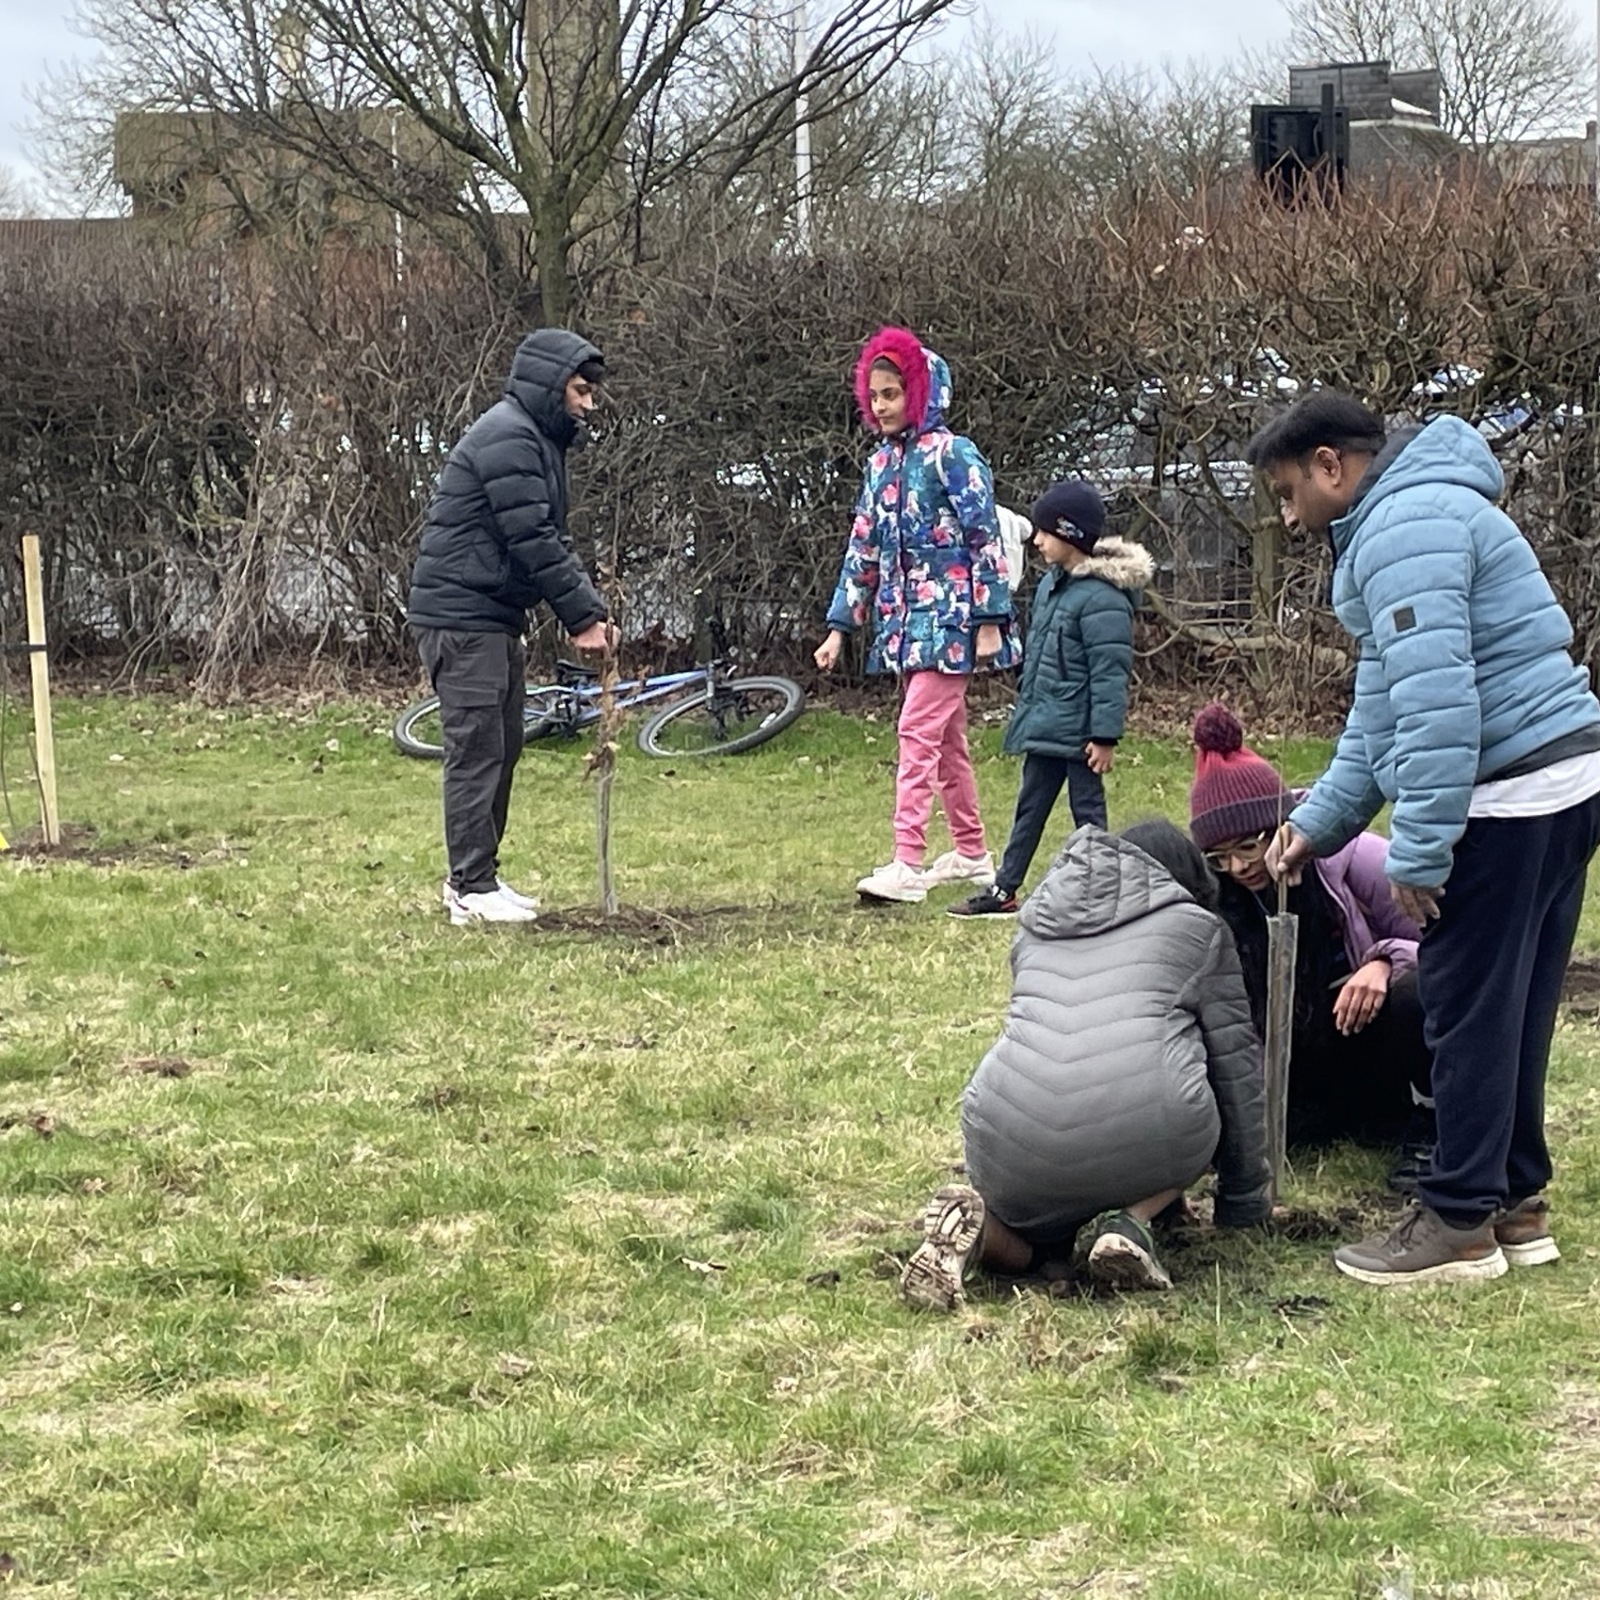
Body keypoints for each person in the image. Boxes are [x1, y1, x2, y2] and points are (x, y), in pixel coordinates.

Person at [1247, 390, 1600, 1286]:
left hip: (1509, 794)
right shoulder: (1420, 511)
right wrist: (1314, 829)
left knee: (1465, 1009)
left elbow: (1442, 713)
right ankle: (1516, 1201)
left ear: (1332, 465)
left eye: (1289, 492)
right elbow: (1381, 717)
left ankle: (1456, 1222)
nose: (1288, 518)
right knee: (1513, 1004)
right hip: (1565, 782)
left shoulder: (1404, 529)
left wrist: (1421, 852)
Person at [900, 820, 1271, 1308]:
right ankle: (1128, 1224)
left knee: (1037, 1243)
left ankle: (980, 1226)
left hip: (1006, 1135)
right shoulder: (1199, 929)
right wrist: (1244, 1200)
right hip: (1146, 1131)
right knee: (1186, 1090)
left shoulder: (1035, 925)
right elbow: (1235, 1068)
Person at [407, 328, 615, 925]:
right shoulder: (509, 438)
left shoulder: (534, 440)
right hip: (462, 617)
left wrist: (592, 609)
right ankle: (470, 888)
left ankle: (478, 879)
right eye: (580, 390)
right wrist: (580, 618)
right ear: (551, 385)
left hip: (490, 616)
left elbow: (552, 537)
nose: (587, 404)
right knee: (477, 751)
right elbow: (532, 539)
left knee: (504, 747)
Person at [1187, 703, 1434, 1189]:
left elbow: (1448, 950)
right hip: (1294, 1066)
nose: (1238, 868)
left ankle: (1427, 1126)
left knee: (1417, 993)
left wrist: (1384, 961)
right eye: (1219, 858)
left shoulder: (1354, 857)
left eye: (1248, 846)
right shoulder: (1222, 906)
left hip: (1370, 1038)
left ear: (1280, 827)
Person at [815, 326, 1018, 904]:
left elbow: (985, 541)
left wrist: (989, 620)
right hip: (906, 628)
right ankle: (973, 852)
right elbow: (864, 549)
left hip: (952, 626)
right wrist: (840, 626)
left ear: (922, 392)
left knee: (916, 731)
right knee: (946, 741)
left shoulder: (955, 456)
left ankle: (907, 860)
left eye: (892, 393)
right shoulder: (879, 467)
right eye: (874, 395)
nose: (880, 406)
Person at [950, 481, 1151, 918]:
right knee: (1030, 808)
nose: (1036, 541)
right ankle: (1004, 889)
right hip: (1046, 723)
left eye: (1044, 532)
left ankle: (1105, 893)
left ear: (1069, 534)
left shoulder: (1103, 599)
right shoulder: (1051, 587)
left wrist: (1104, 735)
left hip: (1079, 733)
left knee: (1089, 815)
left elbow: (1109, 671)